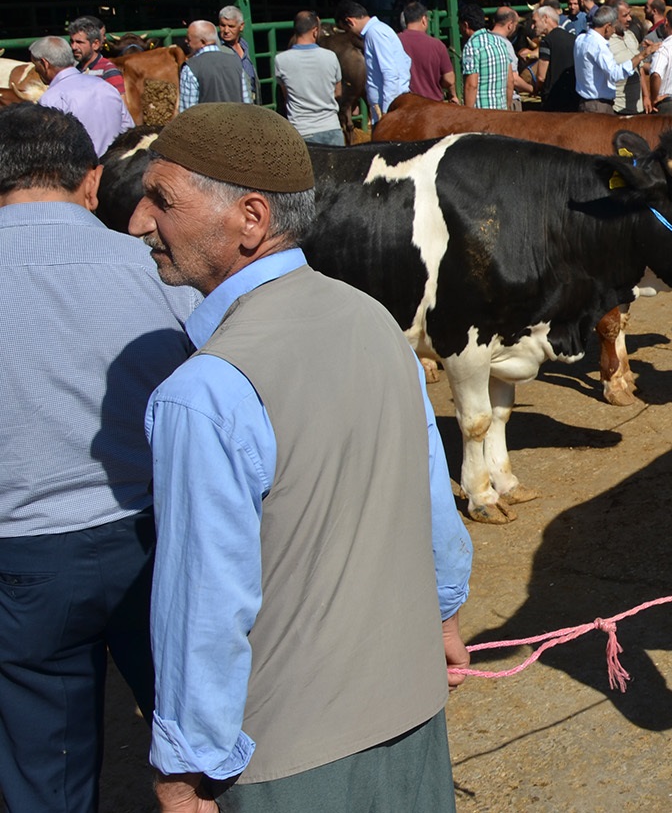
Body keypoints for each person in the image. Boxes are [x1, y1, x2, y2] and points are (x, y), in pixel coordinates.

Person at [131, 103, 473, 812]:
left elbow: (206, 601)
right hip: (409, 709)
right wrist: (441, 617)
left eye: (161, 198)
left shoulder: (204, 391)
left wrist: (186, 764)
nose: (139, 221)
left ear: (251, 218)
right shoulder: (373, 319)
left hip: (289, 754)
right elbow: (430, 500)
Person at [0, 105, 197, 813]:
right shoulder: (155, 269)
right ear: (92, 181)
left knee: (43, 763)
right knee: (194, 725)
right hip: (150, 535)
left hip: (22, 554)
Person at [31, 35, 134, 154]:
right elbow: (128, 128)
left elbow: (49, 148)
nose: (36, 70)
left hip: (79, 170)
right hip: (114, 167)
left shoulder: (51, 99)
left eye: (35, 65)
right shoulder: (106, 86)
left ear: (45, 63)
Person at [271, 11, 344, 145]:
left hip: (301, 130)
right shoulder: (330, 57)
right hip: (331, 127)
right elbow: (338, 92)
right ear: (315, 31)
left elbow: (286, 95)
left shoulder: (280, 60)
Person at [335, 0, 411, 120]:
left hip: (387, 108)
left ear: (350, 21)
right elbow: (406, 61)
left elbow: (390, 72)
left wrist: (387, 111)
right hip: (389, 104)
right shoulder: (379, 30)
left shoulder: (374, 33)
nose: (350, 34)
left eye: (347, 30)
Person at [574, 4, 651, 113]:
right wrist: (641, 56)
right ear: (607, 26)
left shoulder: (580, 39)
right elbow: (615, 74)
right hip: (599, 106)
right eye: (613, 28)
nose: (614, 31)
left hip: (586, 102)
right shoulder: (600, 46)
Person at [179, 21, 251, 113]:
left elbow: (187, 112)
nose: (186, 41)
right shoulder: (235, 61)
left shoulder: (190, 67)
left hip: (207, 125)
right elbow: (246, 101)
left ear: (203, 42)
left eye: (189, 39)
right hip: (236, 123)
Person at [459, 3, 517, 111]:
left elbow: (471, 85)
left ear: (465, 25)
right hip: (501, 112)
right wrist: (507, 107)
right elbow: (510, 80)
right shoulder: (500, 43)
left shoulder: (472, 46)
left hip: (482, 115)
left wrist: (467, 114)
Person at [398, 2, 456, 103]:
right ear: (424, 20)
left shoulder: (395, 42)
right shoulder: (437, 45)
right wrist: (451, 93)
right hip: (433, 105)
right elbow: (449, 79)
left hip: (406, 105)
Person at [531, 5, 579, 111]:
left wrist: (536, 88)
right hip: (573, 96)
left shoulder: (547, 42)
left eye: (535, 22)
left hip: (553, 99)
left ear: (545, 18)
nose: (533, 26)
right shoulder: (574, 39)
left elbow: (541, 77)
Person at [66, 15, 125, 94]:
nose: (73, 47)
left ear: (95, 44)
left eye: (79, 42)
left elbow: (120, 103)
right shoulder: (75, 70)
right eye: (72, 42)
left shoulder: (108, 71)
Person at [216, 6, 260, 105]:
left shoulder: (244, 45)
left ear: (241, 26)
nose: (226, 30)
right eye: (222, 25)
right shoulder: (217, 48)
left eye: (231, 26)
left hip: (252, 102)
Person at [607, 0, 644, 114]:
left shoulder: (631, 36)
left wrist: (647, 97)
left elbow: (640, 69)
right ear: (613, 18)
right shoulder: (606, 43)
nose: (629, 19)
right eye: (625, 15)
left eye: (629, 14)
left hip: (639, 106)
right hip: (619, 107)